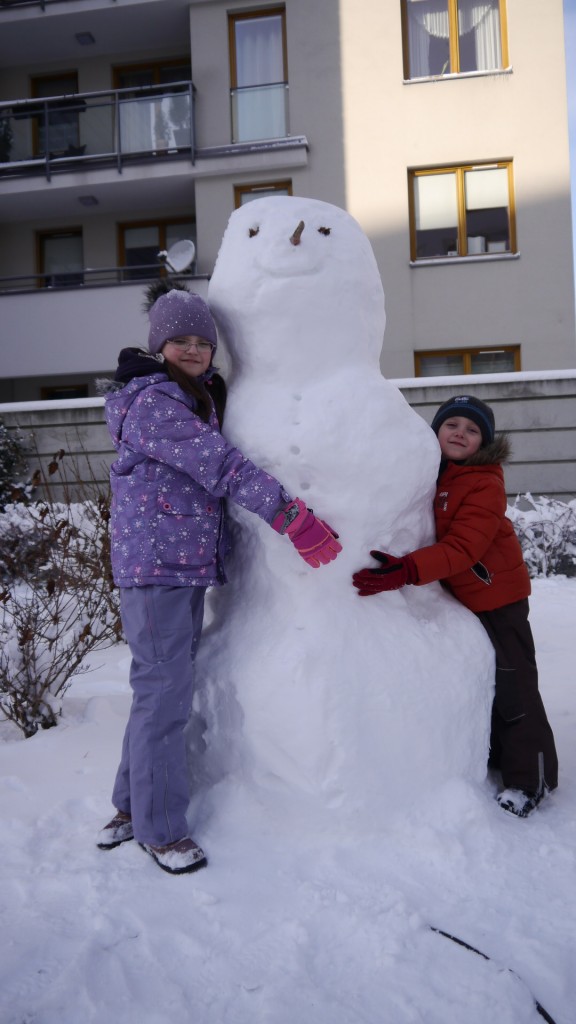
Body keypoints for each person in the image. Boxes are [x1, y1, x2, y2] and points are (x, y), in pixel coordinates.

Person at [97, 288, 342, 874]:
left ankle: (131, 807)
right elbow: (220, 465)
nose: (194, 350)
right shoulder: (156, 402)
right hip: (158, 568)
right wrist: (291, 516)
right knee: (164, 695)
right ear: (160, 345)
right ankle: (161, 830)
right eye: (182, 340)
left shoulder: (185, 398)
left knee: (155, 690)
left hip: (172, 564)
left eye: (204, 343)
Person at [352, 394, 558, 818]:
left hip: (499, 598)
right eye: (453, 425)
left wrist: (406, 570)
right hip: (466, 596)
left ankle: (532, 780)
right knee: (490, 679)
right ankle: (501, 756)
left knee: (516, 686)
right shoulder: (436, 472)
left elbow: (463, 547)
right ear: (437, 430)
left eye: (472, 429)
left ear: (484, 442)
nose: (460, 433)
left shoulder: (484, 482)